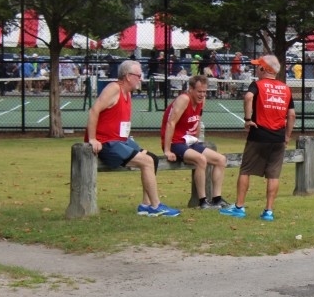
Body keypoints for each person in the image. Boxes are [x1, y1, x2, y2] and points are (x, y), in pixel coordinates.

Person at [85, 60, 179, 217]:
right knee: (146, 162)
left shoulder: (127, 93)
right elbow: (94, 111)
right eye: (138, 76)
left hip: (120, 140)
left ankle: (145, 205)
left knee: (153, 158)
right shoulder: (114, 88)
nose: (141, 79)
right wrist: (93, 139)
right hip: (107, 143)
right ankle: (156, 206)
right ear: (128, 76)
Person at [220, 55, 296, 220]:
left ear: (263, 69)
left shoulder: (257, 85)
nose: (256, 69)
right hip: (278, 137)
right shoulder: (286, 88)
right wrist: (287, 136)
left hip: (258, 134)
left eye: (258, 66)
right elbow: (291, 115)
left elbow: (248, 97)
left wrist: (247, 120)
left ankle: (239, 207)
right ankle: (268, 211)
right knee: (273, 175)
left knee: (246, 170)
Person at [161, 74, 229, 209]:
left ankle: (217, 199)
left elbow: (198, 120)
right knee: (201, 160)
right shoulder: (184, 99)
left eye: (204, 92)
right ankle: (202, 201)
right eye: (199, 91)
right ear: (191, 89)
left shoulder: (201, 101)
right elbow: (170, 123)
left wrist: (196, 140)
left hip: (189, 142)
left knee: (221, 160)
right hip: (175, 142)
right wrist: (167, 150)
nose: (202, 95)